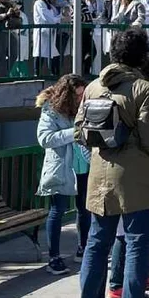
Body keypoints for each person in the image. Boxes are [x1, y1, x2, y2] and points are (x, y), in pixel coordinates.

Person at [75, 28, 149, 298]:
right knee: (137, 241)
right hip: (135, 176)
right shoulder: (144, 89)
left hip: (99, 173)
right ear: (142, 56)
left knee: (96, 242)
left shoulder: (92, 87)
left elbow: (79, 132)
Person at [36, 74, 90, 274]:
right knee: (57, 211)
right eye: (76, 95)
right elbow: (45, 138)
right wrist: (73, 133)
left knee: (85, 210)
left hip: (82, 164)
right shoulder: (50, 110)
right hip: (61, 166)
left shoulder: (82, 108)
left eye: (82, 95)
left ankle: (83, 248)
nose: (80, 99)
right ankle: (54, 257)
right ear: (67, 95)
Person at [32, 0, 61, 76]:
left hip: (49, 31)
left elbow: (52, 16)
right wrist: (59, 19)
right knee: (40, 53)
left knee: (52, 53)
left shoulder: (47, 3)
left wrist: (58, 17)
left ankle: (54, 73)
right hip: (43, 31)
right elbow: (48, 17)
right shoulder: (39, 2)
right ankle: (37, 74)